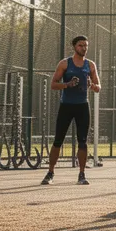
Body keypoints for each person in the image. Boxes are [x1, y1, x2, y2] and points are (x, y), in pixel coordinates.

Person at [41, 36, 101, 185]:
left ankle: (82, 174)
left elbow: (98, 87)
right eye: (81, 45)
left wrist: (92, 85)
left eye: (86, 46)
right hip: (66, 106)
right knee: (58, 140)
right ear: (74, 47)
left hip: (82, 106)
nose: (84, 48)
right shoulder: (64, 63)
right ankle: (50, 173)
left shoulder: (90, 65)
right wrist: (67, 84)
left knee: (83, 142)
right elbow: (53, 84)